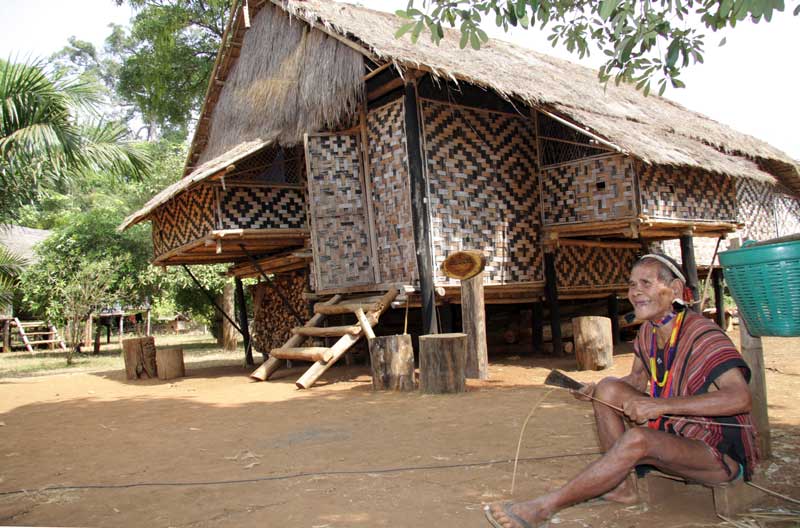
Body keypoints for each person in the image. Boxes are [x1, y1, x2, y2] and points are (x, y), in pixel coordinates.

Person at [485, 253, 759, 528]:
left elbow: (740, 398)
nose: (635, 291)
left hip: (718, 456)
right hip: (676, 438)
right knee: (608, 389)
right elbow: (636, 382)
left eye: (645, 283)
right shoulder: (648, 333)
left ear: (674, 290)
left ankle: (542, 509)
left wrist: (662, 406)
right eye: (631, 285)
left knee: (639, 438)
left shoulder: (703, 334)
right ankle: (622, 487)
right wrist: (593, 390)